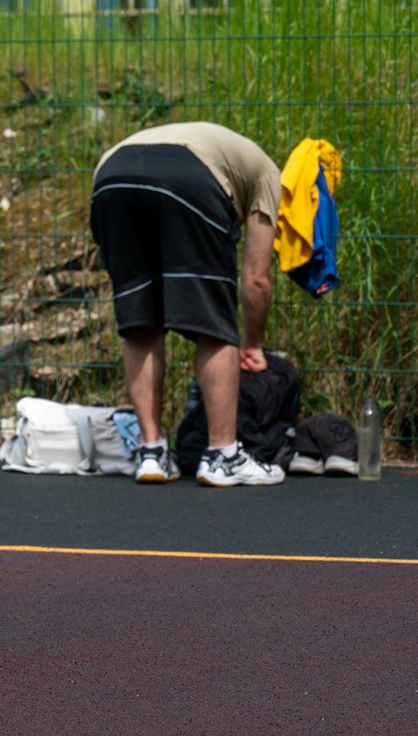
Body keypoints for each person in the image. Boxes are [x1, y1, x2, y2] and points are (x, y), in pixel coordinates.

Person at [89, 121, 282, 488]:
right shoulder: (269, 174)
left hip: (110, 176)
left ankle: (152, 452)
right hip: (190, 177)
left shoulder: (221, 147)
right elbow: (257, 278)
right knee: (213, 323)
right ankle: (223, 455)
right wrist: (252, 342)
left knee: (140, 320)